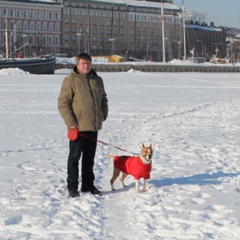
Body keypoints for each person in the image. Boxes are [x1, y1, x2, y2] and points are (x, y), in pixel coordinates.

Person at [58, 53, 108, 198]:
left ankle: (88, 185)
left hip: (93, 126)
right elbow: (63, 103)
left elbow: (103, 99)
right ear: (77, 65)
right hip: (78, 128)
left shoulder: (97, 80)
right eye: (83, 63)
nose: (86, 66)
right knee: (74, 158)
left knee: (89, 159)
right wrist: (71, 123)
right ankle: (72, 187)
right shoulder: (70, 80)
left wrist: (103, 115)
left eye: (88, 63)